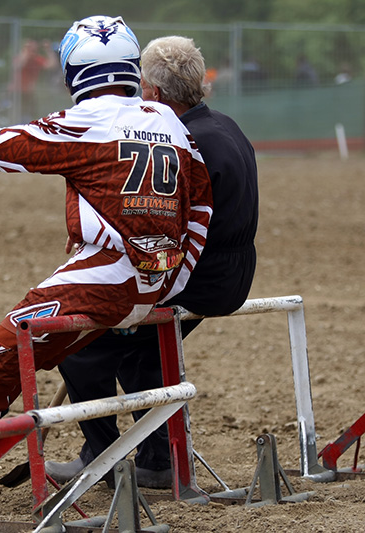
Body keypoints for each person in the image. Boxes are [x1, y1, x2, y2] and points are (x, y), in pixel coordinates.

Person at [0, 16, 213, 515]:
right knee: (18, 361)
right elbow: (201, 205)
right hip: (157, 279)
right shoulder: (170, 124)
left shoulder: (92, 120)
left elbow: (15, 146)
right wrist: (175, 277)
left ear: (73, 71)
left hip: (107, 275)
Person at [46, 35, 259, 489]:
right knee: (140, 353)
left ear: (155, 94)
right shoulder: (225, 126)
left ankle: (99, 456)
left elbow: (160, 227)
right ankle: (157, 461)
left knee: (82, 345)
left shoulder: (183, 140)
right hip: (233, 273)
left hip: (196, 278)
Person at [11, 39, 56, 122]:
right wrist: (25, 51)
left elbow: (51, 65)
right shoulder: (22, 57)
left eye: (34, 50)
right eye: (30, 49)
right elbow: (18, 65)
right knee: (16, 114)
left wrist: (48, 50)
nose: (33, 52)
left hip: (29, 92)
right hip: (17, 91)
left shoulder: (36, 59)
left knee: (31, 114)